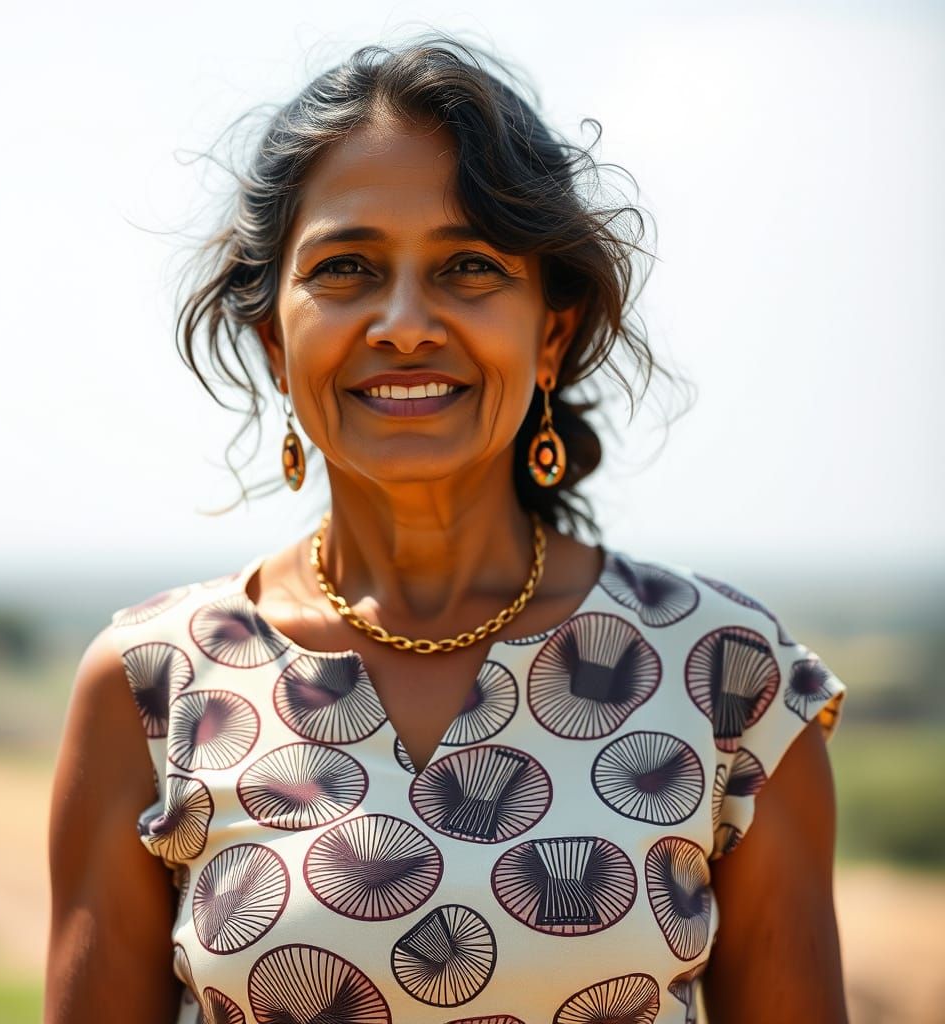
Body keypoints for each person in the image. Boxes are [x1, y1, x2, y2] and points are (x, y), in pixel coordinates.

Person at [45, 35, 849, 1024]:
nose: (404, 322)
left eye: (468, 265)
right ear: (273, 341)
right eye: (346, 268)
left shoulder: (729, 679)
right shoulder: (151, 686)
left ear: (548, 332)